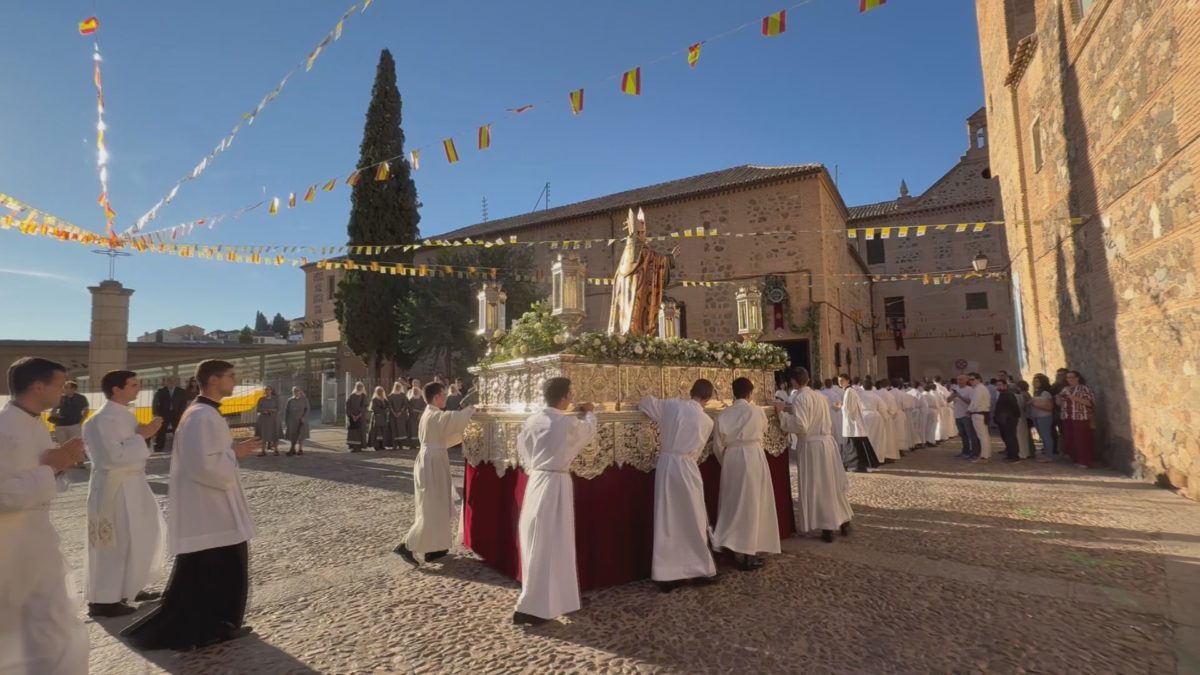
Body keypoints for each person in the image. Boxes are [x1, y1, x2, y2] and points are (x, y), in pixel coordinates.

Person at [123, 360, 260, 651]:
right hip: (211, 511)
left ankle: (220, 625)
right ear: (213, 380)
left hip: (215, 509)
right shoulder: (201, 416)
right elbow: (203, 465)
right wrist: (236, 453)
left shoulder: (204, 413)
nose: (234, 381)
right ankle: (207, 627)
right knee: (214, 572)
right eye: (230, 377)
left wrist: (232, 453)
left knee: (223, 571)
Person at [0, 357, 88, 673]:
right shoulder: (5, 429)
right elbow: (4, 494)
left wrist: (60, 464)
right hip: (13, 545)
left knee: (52, 623)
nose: (65, 391)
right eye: (59, 384)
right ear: (38, 387)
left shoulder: (34, 421)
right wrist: (53, 466)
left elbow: (47, 474)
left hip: (35, 537)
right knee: (38, 626)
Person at [512, 378, 597, 626]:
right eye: (571, 394)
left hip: (537, 479)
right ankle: (533, 605)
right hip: (555, 485)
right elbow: (586, 432)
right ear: (564, 397)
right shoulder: (565, 422)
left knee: (538, 540)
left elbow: (523, 449)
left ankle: (555, 599)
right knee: (550, 542)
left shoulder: (533, 420)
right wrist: (590, 413)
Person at [83, 369, 166, 618]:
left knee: (141, 534)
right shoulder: (99, 420)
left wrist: (140, 434)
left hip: (134, 484)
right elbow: (110, 458)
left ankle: (130, 586)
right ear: (116, 389)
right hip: (113, 488)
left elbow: (131, 445)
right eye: (132, 385)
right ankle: (104, 599)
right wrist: (142, 435)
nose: (137, 389)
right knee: (113, 542)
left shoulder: (126, 416)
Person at [638, 380, 718, 589]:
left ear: (690, 392)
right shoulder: (707, 421)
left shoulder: (672, 405)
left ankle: (668, 574)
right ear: (707, 400)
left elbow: (645, 402)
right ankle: (699, 568)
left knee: (668, 517)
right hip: (688, 466)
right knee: (694, 516)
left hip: (666, 465)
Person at [394, 382, 476, 566]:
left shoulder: (430, 414)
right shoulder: (433, 415)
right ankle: (407, 545)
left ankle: (435, 548)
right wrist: (470, 410)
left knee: (436, 506)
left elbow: (445, 432)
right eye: (444, 395)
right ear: (436, 397)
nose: (446, 397)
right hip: (432, 464)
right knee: (431, 508)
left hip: (432, 461)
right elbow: (453, 419)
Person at [776, 367, 852, 543]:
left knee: (818, 486)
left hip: (812, 447)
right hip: (826, 443)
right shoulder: (819, 396)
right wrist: (789, 408)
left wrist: (781, 415)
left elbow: (801, 425)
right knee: (831, 484)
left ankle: (827, 526)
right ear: (808, 380)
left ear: (793, 382)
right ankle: (843, 521)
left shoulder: (801, 397)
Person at [712, 376, 780, 569]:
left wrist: (726, 462)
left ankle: (732, 545)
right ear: (751, 394)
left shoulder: (724, 414)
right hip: (753, 456)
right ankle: (749, 552)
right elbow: (764, 430)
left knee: (732, 502)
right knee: (753, 503)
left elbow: (718, 445)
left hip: (732, 457)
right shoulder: (757, 411)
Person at [838, 374, 879, 473]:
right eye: (839, 381)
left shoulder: (849, 392)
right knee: (853, 445)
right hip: (852, 423)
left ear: (848, 380)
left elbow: (849, 409)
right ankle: (852, 465)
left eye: (842, 380)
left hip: (852, 423)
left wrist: (840, 406)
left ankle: (857, 465)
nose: (840, 382)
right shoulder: (849, 391)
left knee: (854, 445)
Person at [1056, 370, 1096, 468]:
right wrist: (1058, 399)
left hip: (1080, 417)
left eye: (1071, 377)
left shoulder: (1084, 389)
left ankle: (1085, 461)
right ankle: (1076, 459)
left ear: (1077, 378)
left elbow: (1090, 403)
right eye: (1068, 378)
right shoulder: (1065, 389)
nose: (1069, 379)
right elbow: (1059, 404)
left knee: (1082, 440)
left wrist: (1072, 397)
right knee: (1071, 439)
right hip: (1067, 417)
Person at [858, 381, 896, 463]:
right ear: (872, 387)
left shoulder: (859, 395)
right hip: (875, 417)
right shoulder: (875, 396)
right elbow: (883, 408)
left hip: (863, 417)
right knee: (878, 439)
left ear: (863, 387)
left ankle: (865, 458)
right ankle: (878, 458)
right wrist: (886, 418)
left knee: (865, 438)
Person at [151, 376, 189, 452]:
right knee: (161, 430)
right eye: (169, 380)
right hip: (164, 413)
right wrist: (155, 413)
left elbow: (184, 403)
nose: (171, 382)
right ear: (166, 382)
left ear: (175, 382)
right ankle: (159, 447)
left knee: (178, 430)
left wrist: (182, 413)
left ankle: (179, 446)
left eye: (173, 380)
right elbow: (155, 403)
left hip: (177, 414)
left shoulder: (181, 391)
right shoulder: (161, 391)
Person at [49, 381, 89, 446]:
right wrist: (56, 415)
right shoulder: (61, 398)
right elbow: (53, 410)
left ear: (73, 389)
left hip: (74, 425)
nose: (64, 389)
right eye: (64, 387)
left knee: (75, 446)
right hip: (60, 426)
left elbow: (86, 410)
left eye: (66, 387)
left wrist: (81, 422)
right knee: (63, 446)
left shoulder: (81, 398)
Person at [948, 375, 978, 458]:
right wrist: (953, 395)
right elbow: (948, 400)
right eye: (958, 380)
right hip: (957, 415)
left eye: (961, 380)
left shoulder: (970, 390)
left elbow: (971, 403)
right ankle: (965, 451)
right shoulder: (955, 389)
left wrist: (960, 396)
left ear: (966, 380)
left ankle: (974, 452)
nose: (959, 381)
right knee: (962, 435)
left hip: (966, 415)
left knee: (970, 435)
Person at [1030, 374, 1057, 462]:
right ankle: (1046, 453)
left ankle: (1049, 456)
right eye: (1034, 381)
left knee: (1046, 436)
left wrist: (1035, 404)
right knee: (1042, 436)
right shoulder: (1036, 392)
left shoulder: (1046, 393)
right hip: (1036, 417)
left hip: (1044, 417)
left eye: (1037, 381)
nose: (1035, 383)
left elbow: (1050, 407)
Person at [994, 380, 1022, 462]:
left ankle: (1014, 456)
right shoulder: (1002, 394)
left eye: (1000, 385)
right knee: (1006, 437)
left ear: (1005, 385)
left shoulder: (1009, 394)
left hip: (1009, 420)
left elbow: (1015, 407)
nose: (998, 386)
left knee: (1011, 438)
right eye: (997, 385)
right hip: (1003, 420)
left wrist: (1014, 417)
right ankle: (1010, 454)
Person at [968, 373, 993, 463]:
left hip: (978, 413)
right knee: (984, 435)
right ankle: (986, 454)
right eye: (970, 380)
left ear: (978, 379)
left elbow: (975, 402)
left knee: (982, 436)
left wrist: (969, 410)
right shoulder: (982, 388)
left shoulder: (979, 389)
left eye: (972, 379)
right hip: (982, 413)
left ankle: (984, 457)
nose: (971, 381)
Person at [255, 386, 282, 456]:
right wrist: (264, 411)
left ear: (271, 391)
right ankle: (263, 451)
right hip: (264, 420)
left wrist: (271, 410)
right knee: (263, 435)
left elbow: (278, 408)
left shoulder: (276, 399)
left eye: (268, 390)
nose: (267, 391)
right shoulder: (261, 399)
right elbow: (258, 409)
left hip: (273, 419)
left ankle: (276, 450)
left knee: (274, 434)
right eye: (266, 390)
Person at [284, 387, 310, 456]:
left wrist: (304, 417)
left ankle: (300, 449)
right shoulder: (290, 400)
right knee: (292, 435)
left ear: (300, 391)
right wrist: (286, 421)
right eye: (294, 391)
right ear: (292, 392)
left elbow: (307, 409)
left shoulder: (304, 399)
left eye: (297, 391)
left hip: (301, 420)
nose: (296, 392)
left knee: (301, 435)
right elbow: (287, 411)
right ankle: (292, 449)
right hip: (292, 420)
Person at [387, 381, 410, 450]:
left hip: (401, 416)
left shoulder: (403, 395)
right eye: (396, 386)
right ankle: (394, 445)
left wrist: (400, 412)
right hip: (393, 416)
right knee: (394, 429)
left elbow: (405, 404)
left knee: (401, 430)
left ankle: (401, 445)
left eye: (398, 386)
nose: (397, 387)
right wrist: (394, 412)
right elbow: (389, 405)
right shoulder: (391, 396)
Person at [1014, 381, 1034, 459]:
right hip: (1027, 416)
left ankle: (1029, 452)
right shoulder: (1027, 394)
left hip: (1026, 416)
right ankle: (1030, 451)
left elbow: (1024, 405)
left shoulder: (1023, 395)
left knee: (1026, 435)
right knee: (1027, 435)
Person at [346, 382, 367, 453]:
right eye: (358, 386)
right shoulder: (351, 396)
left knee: (360, 432)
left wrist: (358, 415)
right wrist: (352, 415)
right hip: (353, 418)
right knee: (353, 432)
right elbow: (348, 406)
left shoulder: (363, 396)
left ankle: (359, 447)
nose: (359, 388)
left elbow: (364, 407)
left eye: (360, 386)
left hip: (360, 418)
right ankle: (353, 447)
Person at [368, 386, 391, 451]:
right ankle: (376, 445)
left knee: (383, 432)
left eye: (381, 391)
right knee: (377, 432)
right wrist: (383, 410)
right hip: (377, 418)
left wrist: (386, 410)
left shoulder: (384, 399)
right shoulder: (374, 399)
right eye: (378, 391)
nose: (380, 392)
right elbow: (374, 408)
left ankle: (382, 445)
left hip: (383, 418)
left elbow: (388, 407)